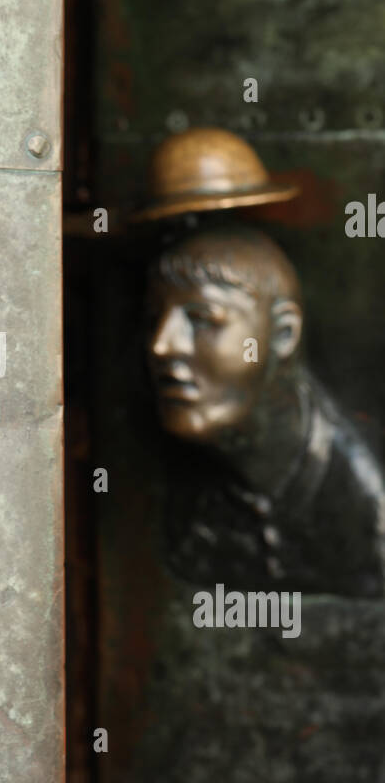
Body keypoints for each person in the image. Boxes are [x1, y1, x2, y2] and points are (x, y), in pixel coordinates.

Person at [146, 223, 385, 596]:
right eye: (153, 319)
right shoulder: (188, 499)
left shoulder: (366, 506)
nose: (161, 345)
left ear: (284, 334)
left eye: (203, 319)